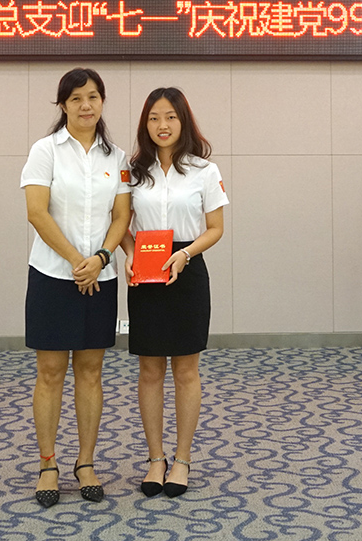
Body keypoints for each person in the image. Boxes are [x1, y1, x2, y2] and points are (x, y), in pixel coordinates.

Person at [20, 68, 130, 508]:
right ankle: (48, 464)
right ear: (63, 104)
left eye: (94, 97)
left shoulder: (116, 157)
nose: (86, 105)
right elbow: (36, 212)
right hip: (52, 275)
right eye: (77, 98)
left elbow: (121, 216)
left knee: (91, 371)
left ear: (102, 102)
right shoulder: (44, 150)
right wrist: (74, 259)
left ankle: (85, 462)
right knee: (50, 372)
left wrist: (100, 258)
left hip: (100, 278)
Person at [121, 87, 228, 498]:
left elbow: (215, 229)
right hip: (146, 272)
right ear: (145, 124)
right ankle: (155, 458)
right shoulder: (134, 171)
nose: (162, 125)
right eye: (153, 118)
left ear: (183, 121)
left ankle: (182, 459)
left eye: (170, 117)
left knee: (186, 371)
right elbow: (122, 224)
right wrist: (130, 253)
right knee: (149, 371)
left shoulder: (204, 170)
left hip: (187, 269)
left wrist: (185, 254)